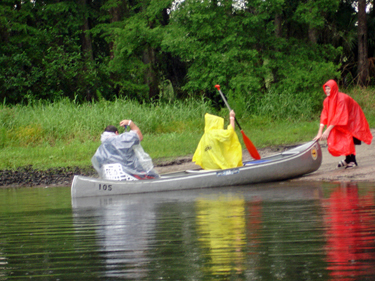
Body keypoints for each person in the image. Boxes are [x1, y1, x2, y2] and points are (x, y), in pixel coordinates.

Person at [313, 79, 372, 168]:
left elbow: (339, 116)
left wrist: (327, 131)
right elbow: (324, 115)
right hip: (343, 118)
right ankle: (347, 159)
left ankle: (352, 160)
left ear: (334, 89)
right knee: (341, 136)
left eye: (329, 89)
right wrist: (319, 133)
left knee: (348, 136)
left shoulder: (342, 99)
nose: (327, 91)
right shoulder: (327, 101)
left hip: (353, 118)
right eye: (326, 89)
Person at [91, 119, 159, 181]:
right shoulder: (122, 140)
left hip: (111, 178)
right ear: (116, 133)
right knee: (154, 175)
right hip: (130, 174)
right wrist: (130, 123)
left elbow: (98, 164)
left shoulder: (101, 148)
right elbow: (139, 136)